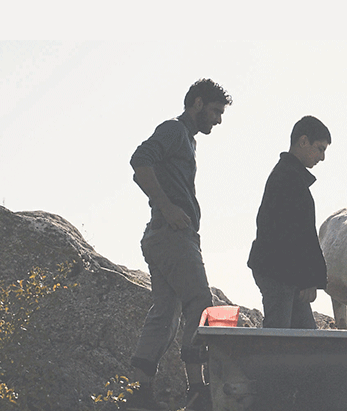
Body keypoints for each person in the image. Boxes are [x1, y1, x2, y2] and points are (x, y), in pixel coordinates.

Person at [126, 79, 232, 411]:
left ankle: (137, 390)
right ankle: (198, 390)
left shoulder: (187, 139)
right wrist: (166, 205)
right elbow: (139, 160)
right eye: (215, 111)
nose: (218, 120)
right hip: (171, 236)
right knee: (200, 301)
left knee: (165, 313)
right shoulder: (174, 130)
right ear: (197, 103)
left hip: (164, 236)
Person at [247, 116, 330, 329]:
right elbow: (294, 235)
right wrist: (307, 279)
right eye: (320, 149)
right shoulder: (288, 179)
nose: (322, 157)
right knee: (280, 337)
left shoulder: (288, 176)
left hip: (283, 271)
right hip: (280, 272)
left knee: (302, 338)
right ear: (303, 141)